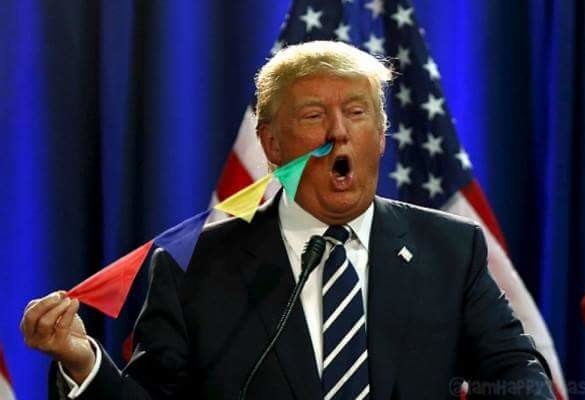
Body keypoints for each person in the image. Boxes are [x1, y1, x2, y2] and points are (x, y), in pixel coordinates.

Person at [21, 41, 555, 399]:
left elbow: (519, 376)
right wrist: (81, 360)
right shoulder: (195, 267)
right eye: (314, 116)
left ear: (381, 136)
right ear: (272, 144)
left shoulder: (451, 249)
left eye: (357, 112)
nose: (339, 133)